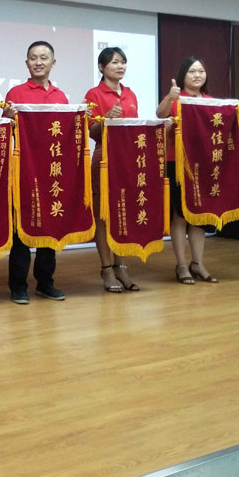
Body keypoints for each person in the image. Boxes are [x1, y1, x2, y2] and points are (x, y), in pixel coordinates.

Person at [156, 56, 239, 285]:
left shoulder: (211, 101)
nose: (197, 75)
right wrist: (170, 97)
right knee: (180, 215)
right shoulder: (176, 98)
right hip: (179, 163)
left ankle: (198, 263)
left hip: (204, 164)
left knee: (199, 215)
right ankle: (181, 265)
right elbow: (160, 115)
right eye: (192, 71)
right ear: (183, 75)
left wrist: (238, 108)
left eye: (201, 71)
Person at [1, 41, 68, 304]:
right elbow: (3, 132)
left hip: (52, 173)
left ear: (53, 63)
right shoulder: (15, 93)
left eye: (43, 57)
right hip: (23, 172)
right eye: (33, 57)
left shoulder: (61, 97)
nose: (38, 62)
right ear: (26, 63)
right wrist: (7, 117)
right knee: (21, 230)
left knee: (49, 226)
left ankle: (45, 282)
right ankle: (18, 285)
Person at [84, 47, 141, 293]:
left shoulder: (130, 94)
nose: (120, 66)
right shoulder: (94, 94)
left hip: (128, 159)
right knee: (103, 216)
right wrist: (106, 118)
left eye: (123, 62)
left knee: (121, 214)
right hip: (104, 158)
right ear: (101, 67)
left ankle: (121, 267)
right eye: (115, 62)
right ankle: (106, 268)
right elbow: (91, 131)